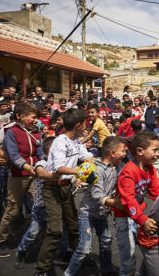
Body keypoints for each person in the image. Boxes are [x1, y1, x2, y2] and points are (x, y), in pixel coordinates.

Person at [34, 108, 94, 275]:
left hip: (66, 187)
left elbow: (88, 156)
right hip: (52, 188)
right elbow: (59, 167)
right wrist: (80, 172)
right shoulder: (60, 141)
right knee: (55, 230)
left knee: (74, 226)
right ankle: (41, 269)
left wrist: (95, 163)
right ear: (78, 125)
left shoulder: (76, 141)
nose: (86, 126)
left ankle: (77, 258)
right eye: (85, 123)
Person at [64, 136, 126, 276]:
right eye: (122, 151)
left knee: (106, 241)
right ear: (112, 153)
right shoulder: (97, 169)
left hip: (102, 213)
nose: (124, 153)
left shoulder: (117, 167)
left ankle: (106, 270)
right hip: (88, 213)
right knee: (84, 249)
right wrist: (113, 203)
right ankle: (68, 273)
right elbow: (97, 194)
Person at [0, 103, 44, 258]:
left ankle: (38, 237)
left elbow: (41, 152)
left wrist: (44, 163)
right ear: (21, 117)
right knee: (13, 209)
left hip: (35, 174)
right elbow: (14, 155)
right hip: (18, 175)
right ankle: (1, 241)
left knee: (39, 206)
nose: (36, 120)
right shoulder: (11, 132)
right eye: (33, 117)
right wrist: (28, 167)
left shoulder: (37, 133)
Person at [112, 131, 159, 275]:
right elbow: (128, 201)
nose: (158, 154)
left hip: (138, 216)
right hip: (124, 218)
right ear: (140, 151)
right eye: (154, 150)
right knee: (128, 262)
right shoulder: (128, 171)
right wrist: (143, 220)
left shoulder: (150, 169)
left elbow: (157, 193)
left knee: (151, 254)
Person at [15, 137, 59, 267]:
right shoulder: (42, 163)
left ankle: (49, 255)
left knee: (54, 233)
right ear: (47, 152)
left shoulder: (61, 166)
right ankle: (21, 251)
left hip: (55, 206)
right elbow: (41, 174)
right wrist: (63, 175)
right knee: (33, 232)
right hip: (41, 207)